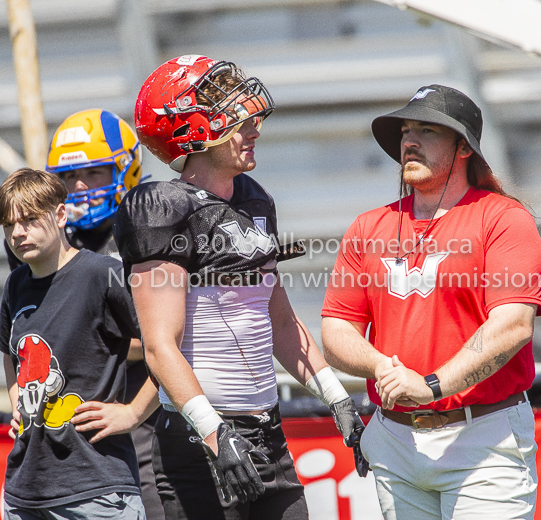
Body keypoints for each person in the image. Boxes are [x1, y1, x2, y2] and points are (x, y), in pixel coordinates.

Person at [112, 55, 367, 520]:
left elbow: (280, 321)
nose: (254, 128)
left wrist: (335, 395)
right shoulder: (161, 208)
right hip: (201, 439)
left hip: (267, 433)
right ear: (191, 130)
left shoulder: (255, 198)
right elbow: (159, 346)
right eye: (237, 118)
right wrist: (215, 433)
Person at [321, 85, 541, 520]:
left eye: (427, 129)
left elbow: (513, 325)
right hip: (395, 441)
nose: (409, 140)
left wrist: (431, 386)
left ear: (464, 147)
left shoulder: (504, 218)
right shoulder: (368, 226)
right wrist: (381, 369)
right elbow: (336, 331)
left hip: (485, 439)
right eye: (406, 130)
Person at [3, 109, 165, 520]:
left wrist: (87, 338)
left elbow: (173, 339)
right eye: (70, 178)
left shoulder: (148, 227)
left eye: (94, 173)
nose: (80, 187)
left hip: (143, 412)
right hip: (49, 450)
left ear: (125, 170)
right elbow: (19, 336)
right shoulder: (33, 241)